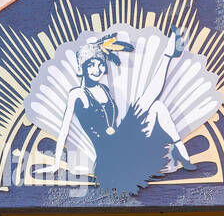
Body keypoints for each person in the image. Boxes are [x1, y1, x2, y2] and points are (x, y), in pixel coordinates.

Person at [37, 29, 197, 181]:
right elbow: (64, 128)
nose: (97, 69)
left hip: (122, 142)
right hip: (109, 157)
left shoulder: (103, 89)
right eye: (91, 64)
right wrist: (56, 164)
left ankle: (183, 155)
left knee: (156, 107)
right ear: (82, 67)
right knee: (146, 101)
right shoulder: (77, 94)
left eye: (100, 64)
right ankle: (168, 54)